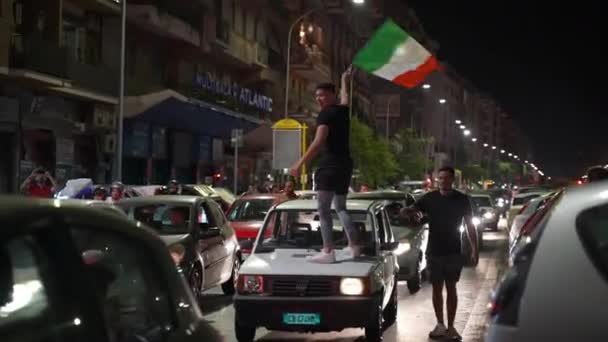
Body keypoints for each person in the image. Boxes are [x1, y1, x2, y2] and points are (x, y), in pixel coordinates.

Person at [289, 66, 360, 264]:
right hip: (345, 164)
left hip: (329, 166)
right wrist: (345, 80)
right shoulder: (342, 111)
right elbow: (347, 99)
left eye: (322, 95)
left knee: (323, 210)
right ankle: (354, 247)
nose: (319, 99)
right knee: (341, 207)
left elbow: (319, 141)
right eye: (317, 96)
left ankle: (328, 251)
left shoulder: (326, 114)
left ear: (331, 95)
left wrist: (300, 163)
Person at [401, 166, 477, 341]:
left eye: (446, 178)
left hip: (453, 250)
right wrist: (413, 213)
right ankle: (440, 324)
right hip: (434, 250)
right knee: (436, 288)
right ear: (437, 180)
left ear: (452, 180)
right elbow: (408, 211)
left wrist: (474, 248)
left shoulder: (462, 199)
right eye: (440, 178)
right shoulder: (429, 198)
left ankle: (451, 327)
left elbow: (469, 225)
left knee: (451, 287)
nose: (443, 181)